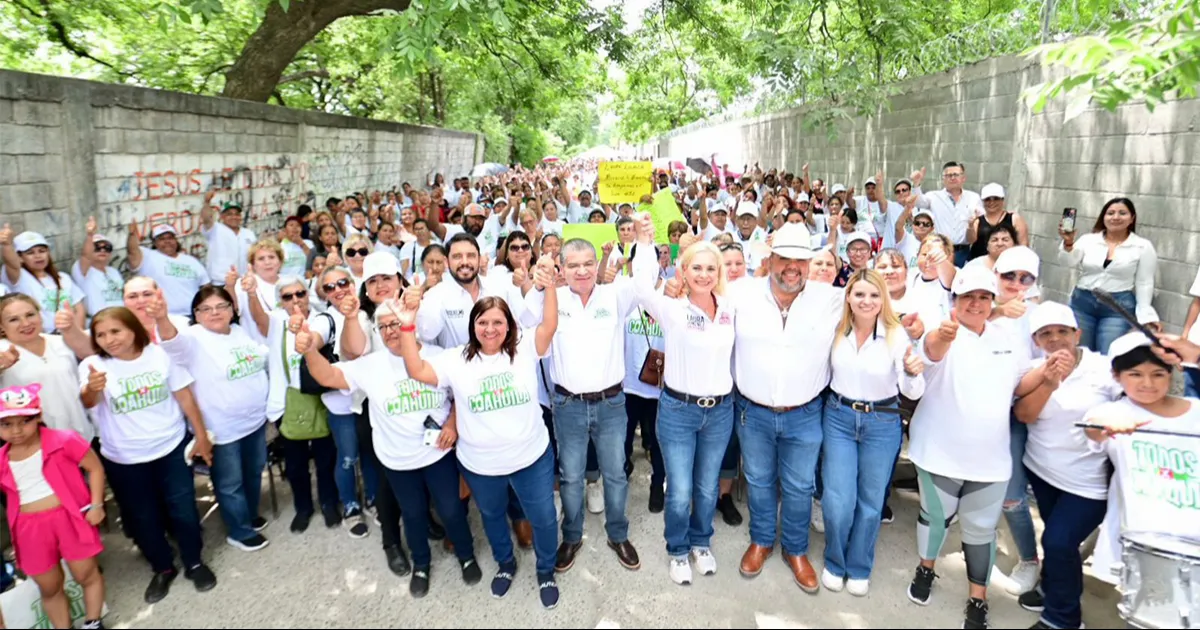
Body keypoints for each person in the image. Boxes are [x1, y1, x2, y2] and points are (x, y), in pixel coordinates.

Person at [395, 257, 563, 609]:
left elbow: (549, 324)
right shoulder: (456, 359)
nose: (490, 329)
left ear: (510, 325)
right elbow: (416, 369)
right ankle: (505, 564)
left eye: (498, 322)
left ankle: (545, 569)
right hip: (481, 465)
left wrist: (549, 287)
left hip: (530, 458)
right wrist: (408, 327)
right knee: (492, 517)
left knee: (544, 517)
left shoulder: (525, 349)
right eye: (483, 322)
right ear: (473, 327)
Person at [296, 300, 481, 598]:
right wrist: (308, 350)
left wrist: (452, 424)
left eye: (396, 323)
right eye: (383, 327)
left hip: (438, 454)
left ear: (411, 323)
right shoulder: (370, 363)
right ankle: (421, 564)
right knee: (413, 513)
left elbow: (461, 394)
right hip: (397, 459)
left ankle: (466, 555)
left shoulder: (439, 356)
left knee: (451, 509)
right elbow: (327, 376)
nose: (390, 331)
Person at [904, 265, 1040, 629]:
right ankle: (925, 569)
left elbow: (1021, 384)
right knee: (935, 520)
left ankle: (977, 599)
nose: (976, 304)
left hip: (990, 458)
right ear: (955, 301)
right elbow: (932, 348)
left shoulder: (1007, 337)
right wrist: (943, 335)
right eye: (968, 297)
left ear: (992, 301)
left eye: (983, 297)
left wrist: (1050, 373)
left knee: (981, 531)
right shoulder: (941, 331)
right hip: (938, 452)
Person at [79, 307, 217, 604]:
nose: (109, 339)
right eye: (100, 335)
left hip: (169, 448)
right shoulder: (92, 365)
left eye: (115, 331)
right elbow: (88, 400)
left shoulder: (159, 355)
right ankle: (163, 567)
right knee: (144, 517)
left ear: (133, 329)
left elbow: (184, 397)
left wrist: (201, 436)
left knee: (182, 509)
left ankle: (194, 562)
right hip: (123, 458)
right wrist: (92, 388)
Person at [631, 220, 736, 586]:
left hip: (720, 411)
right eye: (696, 268)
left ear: (718, 273)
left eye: (710, 268)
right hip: (678, 410)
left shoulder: (730, 307)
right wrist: (645, 244)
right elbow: (642, 289)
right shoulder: (672, 308)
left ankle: (700, 541)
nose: (704, 275)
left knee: (707, 485)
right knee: (679, 489)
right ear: (684, 272)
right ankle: (677, 548)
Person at [530, 237, 644, 574]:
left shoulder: (616, 295)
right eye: (573, 265)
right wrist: (538, 284)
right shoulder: (552, 299)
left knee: (615, 474)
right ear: (562, 268)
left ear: (597, 265)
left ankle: (617, 534)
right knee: (571, 476)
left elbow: (644, 280)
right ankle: (572, 537)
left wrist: (644, 239)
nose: (582, 271)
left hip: (611, 404)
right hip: (568, 405)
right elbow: (522, 316)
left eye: (588, 263)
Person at [1012, 302, 1123, 630]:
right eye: (1046, 334)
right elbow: (1024, 415)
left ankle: (1063, 619)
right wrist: (1048, 381)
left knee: (1059, 541)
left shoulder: (1104, 369)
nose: (1056, 339)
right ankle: (1053, 586)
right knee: (1060, 540)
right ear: (1036, 340)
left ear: (1078, 333)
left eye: (1063, 331)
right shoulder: (1033, 369)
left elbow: (1135, 399)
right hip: (1043, 472)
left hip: (1089, 483)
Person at [821, 269, 925, 596]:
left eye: (874, 295)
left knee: (871, 500)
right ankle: (834, 561)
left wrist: (912, 372)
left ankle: (859, 565)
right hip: (839, 417)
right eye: (860, 294)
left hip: (881, 421)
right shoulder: (835, 330)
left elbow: (913, 387)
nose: (867, 301)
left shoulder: (896, 335)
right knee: (838, 498)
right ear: (848, 297)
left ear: (884, 299)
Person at [152, 285, 272, 553]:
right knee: (230, 483)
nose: (214, 313)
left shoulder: (239, 332)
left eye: (221, 306)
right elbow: (173, 343)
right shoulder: (193, 338)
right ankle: (239, 531)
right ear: (196, 314)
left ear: (232, 310)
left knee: (253, 472)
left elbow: (261, 359)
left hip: (253, 422)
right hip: (222, 427)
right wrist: (161, 318)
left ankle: (249, 515)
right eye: (205, 309)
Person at [0, 384, 107, 630]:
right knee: (49, 586)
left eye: (24, 421)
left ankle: (93, 622)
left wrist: (96, 504)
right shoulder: (2, 459)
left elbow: (95, 467)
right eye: (6, 424)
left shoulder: (64, 440)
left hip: (69, 518)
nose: (16, 430)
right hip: (29, 529)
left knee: (86, 574)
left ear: (38, 416)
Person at [260, 277, 341, 533]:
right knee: (295, 465)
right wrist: (251, 293)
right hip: (289, 404)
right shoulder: (275, 323)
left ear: (308, 294)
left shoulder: (321, 318)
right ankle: (303, 508)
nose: (295, 300)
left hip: (321, 400)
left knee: (326, 460)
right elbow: (256, 317)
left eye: (299, 293)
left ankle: (329, 503)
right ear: (280, 301)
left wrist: (304, 336)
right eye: (287, 296)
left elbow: (317, 338)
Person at [1058, 197, 1160, 353]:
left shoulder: (1142, 246)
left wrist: (1146, 315)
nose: (1116, 217)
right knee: (1080, 353)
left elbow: (1144, 282)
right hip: (1083, 303)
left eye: (1122, 213)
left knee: (1110, 354)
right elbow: (1068, 262)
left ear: (1132, 218)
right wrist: (1068, 244)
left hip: (1117, 307)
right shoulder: (1088, 240)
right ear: (1103, 217)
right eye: (1110, 213)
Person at [0, 294, 95, 441]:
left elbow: (93, 351)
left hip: (82, 436)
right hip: (36, 444)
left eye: (30, 315)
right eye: (13, 319)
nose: (25, 323)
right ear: (2, 326)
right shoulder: (2, 350)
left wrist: (71, 328)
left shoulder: (62, 341)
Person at [0, 228, 86, 333]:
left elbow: (79, 307)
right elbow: (11, 263)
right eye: (30, 253)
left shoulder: (63, 277)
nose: (38, 256)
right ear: (20, 258)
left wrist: (77, 333)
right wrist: (6, 245)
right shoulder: (19, 277)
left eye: (42, 251)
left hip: (69, 335)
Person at [125, 224, 210, 317]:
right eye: (162, 239)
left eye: (170, 238)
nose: (167, 241)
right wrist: (132, 234)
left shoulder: (191, 261)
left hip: (195, 315)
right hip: (165, 316)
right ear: (155, 243)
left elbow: (205, 286)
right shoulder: (147, 257)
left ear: (176, 240)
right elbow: (132, 250)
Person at [71, 218, 124, 318]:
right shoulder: (82, 270)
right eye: (97, 247)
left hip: (120, 318)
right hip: (98, 319)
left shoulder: (114, 272)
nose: (102, 250)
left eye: (107, 248)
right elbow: (86, 256)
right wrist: (90, 235)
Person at [967, 183, 1029, 261]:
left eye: (995, 198)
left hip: (1007, 263)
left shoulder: (1014, 218)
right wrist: (970, 226)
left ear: (1002, 200)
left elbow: (1023, 245)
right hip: (980, 264)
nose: (991, 202)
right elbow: (970, 240)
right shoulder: (978, 220)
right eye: (987, 199)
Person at [201, 201, 257, 283]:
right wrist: (206, 202)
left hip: (244, 283)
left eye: (237, 214)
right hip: (220, 282)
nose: (234, 217)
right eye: (229, 214)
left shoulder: (249, 234)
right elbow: (206, 218)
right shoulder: (215, 229)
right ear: (222, 216)